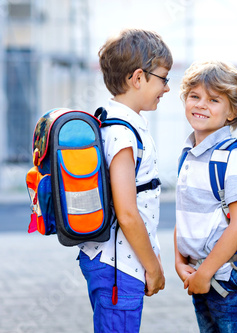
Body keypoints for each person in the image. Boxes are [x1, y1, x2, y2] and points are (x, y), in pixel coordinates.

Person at [77, 28, 172, 333]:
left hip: (109, 261)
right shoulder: (122, 135)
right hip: (119, 267)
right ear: (138, 78)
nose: (167, 88)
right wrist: (154, 268)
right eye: (163, 79)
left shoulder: (111, 122)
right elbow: (128, 214)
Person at [174, 60, 237, 332]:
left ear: (232, 112)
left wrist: (206, 273)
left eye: (213, 100)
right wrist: (179, 262)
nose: (201, 104)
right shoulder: (187, 155)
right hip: (201, 275)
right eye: (194, 96)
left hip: (228, 278)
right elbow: (184, 213)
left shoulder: (232, 157)